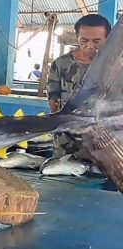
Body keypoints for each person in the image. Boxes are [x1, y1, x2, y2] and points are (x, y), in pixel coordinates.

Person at [47, 14, 110, 159]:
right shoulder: (61, 64)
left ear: (108, 39)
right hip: (67, 140)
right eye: (84, 40)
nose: (89, 46)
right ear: (77, 38)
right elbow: (53, 102)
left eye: (97, 41)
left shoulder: (115, 65)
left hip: (105, 141)